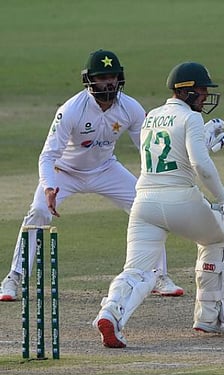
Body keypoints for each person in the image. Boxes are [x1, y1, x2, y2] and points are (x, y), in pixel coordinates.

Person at [0, 49, 186, 302]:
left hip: (105, 168)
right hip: (64, 172)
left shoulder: (130, 107)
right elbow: (47, 156)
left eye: (112, 76)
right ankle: (14, 278)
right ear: (89, 81)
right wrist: (48, 187)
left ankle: (157, 275)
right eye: (102, 77)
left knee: (147, 207)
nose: (108, 82)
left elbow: (147, 147)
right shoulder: (71, 110)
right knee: (39, 212)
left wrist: (157, 179)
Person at [92, 61, 224, 348]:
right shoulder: (191, 119)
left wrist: (205, 141)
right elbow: (200, 165)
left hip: (145, 203)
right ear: (186, 92)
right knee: (222, 236)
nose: (204, 96)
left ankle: (111, 314)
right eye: (200, 91)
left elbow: (170, 152)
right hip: (180, 200)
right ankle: (209, 319)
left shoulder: (151, 116)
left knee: (137, 270)